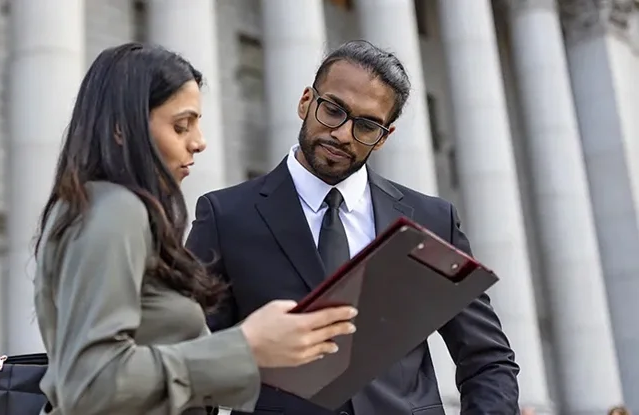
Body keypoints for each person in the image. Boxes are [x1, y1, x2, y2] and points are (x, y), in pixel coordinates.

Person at [185, 40, 520, 415]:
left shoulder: (432, 220)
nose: (343, 134)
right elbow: (197, 359)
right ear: (305, 101)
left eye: (366, 125)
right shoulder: (226, 215)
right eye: (333, 110)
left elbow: (487, 358)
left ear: (384, 137)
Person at [31, 42, 358, 415]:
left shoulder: (104, 208)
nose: (199, 142)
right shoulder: (113, 211)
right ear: (122, 129)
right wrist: (246, 345)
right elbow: (89, 383)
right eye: (180, 125)